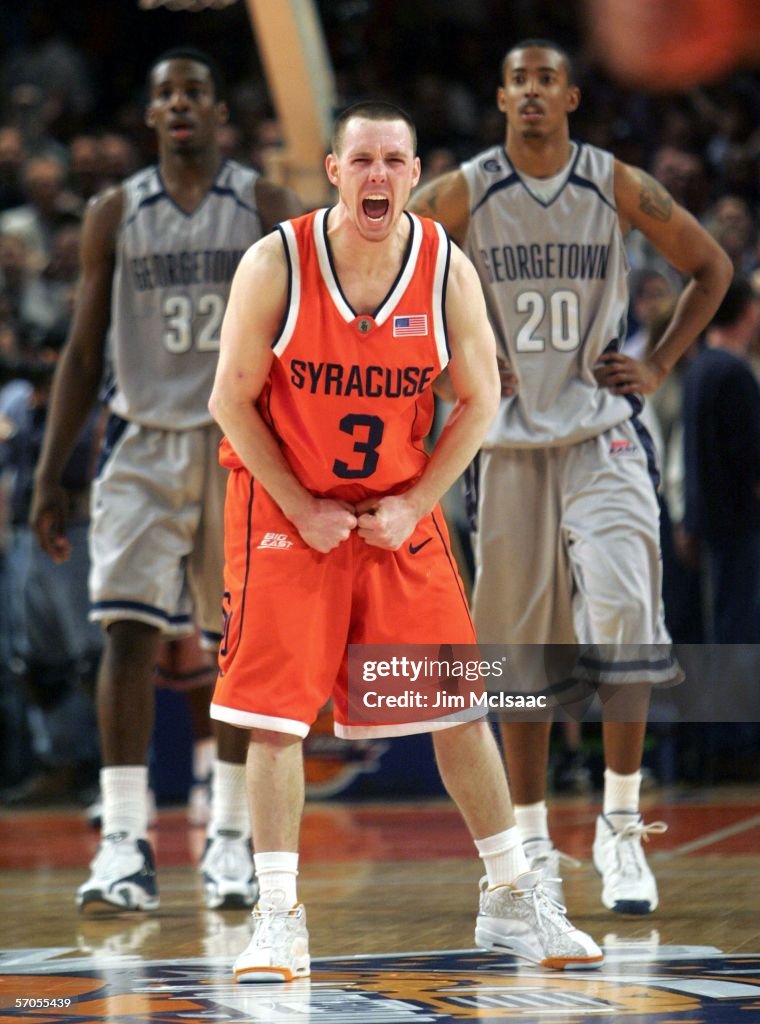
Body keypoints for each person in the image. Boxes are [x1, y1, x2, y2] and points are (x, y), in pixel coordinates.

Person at [208, 100, 604, 982]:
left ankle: (511, 895)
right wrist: (301, 506)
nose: (378, 174)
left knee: (459, 707)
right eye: (363, 160)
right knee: (275, 718)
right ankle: (278, 917)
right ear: (334, 169)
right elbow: (231, 399)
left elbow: (480, 401)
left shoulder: (442, 267)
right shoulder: (275, 261)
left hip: (397, 510)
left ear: (413, 173)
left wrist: (419, 499)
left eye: (394, 159)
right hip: (284, 507)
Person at [410, 39, 732, 915]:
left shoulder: (615, 182)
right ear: (502, 98)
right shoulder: (462, 192)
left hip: (603, 435)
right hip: (508, 447)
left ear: (573, 97)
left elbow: (712, 267)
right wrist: (448, 368)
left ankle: (621, 830)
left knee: (626, 613)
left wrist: (660, 362)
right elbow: (385, 275)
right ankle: (535, 843)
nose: (531, 93)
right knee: (521, 655)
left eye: (546, 79)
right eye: (516, 79)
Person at [30, 47, 303, 915]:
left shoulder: (262, 204)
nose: (180, 104)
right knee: (127, 638)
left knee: (238, 651)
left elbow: (313, 330)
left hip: (239, 448)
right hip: (141, 446)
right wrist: (48, 472)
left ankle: (228, 841)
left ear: (218, 111)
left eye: (194, 91)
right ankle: (123, 844)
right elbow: (80, 353)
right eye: (165, 94)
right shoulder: (117, 212)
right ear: (150, 116)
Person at [679, 276, 760, 643]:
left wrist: (691, 519)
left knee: (724, 622)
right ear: (749, 310)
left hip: (709, 518)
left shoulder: (699, 366)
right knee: (738, 626)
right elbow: (751, 457)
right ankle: (732, 702)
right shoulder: (733, 372)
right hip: (739, 520)